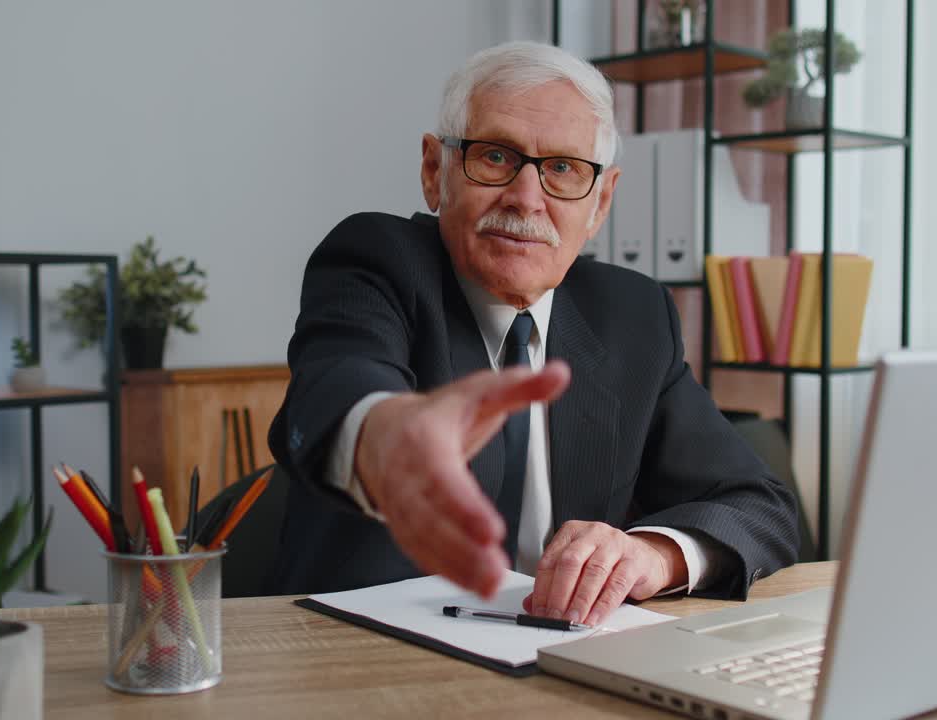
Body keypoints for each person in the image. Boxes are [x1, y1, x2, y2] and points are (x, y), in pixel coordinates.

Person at [268, 41, 798, 626]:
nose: (527, 199)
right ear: (433, 170)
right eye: (496, 156)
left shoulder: (634, 314)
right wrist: (383, 435)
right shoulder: (379, 260)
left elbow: (759, 506)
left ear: (600, 203)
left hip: (563, 664)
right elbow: (338, 386)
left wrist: (654, 554)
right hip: (366, 661)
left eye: (564, 169)